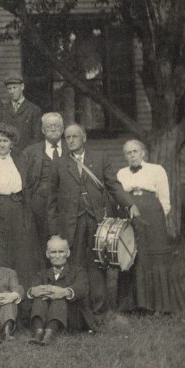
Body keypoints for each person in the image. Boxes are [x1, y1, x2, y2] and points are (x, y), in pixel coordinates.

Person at [48, 123, 125, 314]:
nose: (71, 141)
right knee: (74, 265)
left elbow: (113, 185)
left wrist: (129, 204)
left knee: (97, 264)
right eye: (68, 138)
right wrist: (53, 231)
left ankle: (98, 309)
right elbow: (51, 199)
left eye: (75, 136)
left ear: (84, 138)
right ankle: (76, 310)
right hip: (70, 223)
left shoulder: (99, 158)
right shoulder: (58, 163)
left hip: (96, 222)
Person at [117, 139, 185, 314]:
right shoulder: (121, 173)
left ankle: (161, 304)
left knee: (155, 255)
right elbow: (118, 197)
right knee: (133, 254)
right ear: (125, 156)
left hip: (153, 217)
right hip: (130, 215)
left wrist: (156, 218)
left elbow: (165, 199)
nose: (132, 155)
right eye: (128, 152)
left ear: (143, 152)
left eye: (135, 151)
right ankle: (134, 304)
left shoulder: (157, 170)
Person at [0, 123, 43, 289]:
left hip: (19, 211)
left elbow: (31, 187)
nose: (2, 144)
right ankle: (0, 291)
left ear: (12, 143)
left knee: (22, 252)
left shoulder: (22, 162)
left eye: (6, 141)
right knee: (0, 251)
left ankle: (23, 293)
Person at [28, 236, 93, 345]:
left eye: (61, 252)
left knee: (59, 298)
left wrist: (64, 292)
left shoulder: (78, 271)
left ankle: (50, 333)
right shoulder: (42, 274)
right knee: (39, 298)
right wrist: (33, 291)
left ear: (67, 253)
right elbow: (33, 289)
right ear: (47, 254)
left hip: (70, 317)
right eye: (53, 252)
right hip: (46, 314)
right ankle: (38, 332)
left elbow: (82, 287)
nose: (57, 256)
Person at [21, 112, 66, 246]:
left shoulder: (71, 149)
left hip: (66, 204)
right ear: (42, 130)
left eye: (56, 126)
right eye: (49, 126)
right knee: (38, 242)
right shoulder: (30, 152)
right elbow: (24, 182)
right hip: (38, 204)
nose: (53, 129)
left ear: (62, 129)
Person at [0, 75, 42, 151]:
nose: (12, 91)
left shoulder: (34, 110)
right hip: (7, 154)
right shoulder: (3, 110)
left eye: (14, 88)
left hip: (26, 155)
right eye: (9, 89)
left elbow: (37, 138)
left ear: (22, 87)